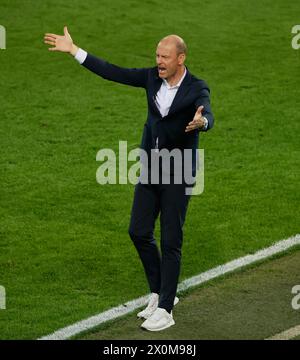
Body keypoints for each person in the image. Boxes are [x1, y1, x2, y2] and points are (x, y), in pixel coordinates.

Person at [44, 26, 214, 331]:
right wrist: (74, 51)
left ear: (181, 58)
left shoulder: (196, 88)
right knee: (138, 230)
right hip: (151, 167)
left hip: (178, 171)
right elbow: (113, 72)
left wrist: (202, 122)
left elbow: (208, 114)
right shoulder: (151, 77)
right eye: (157, 56)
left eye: (165, 57)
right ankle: (159, 291)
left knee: (171, 239)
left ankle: (166, 308)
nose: (159, 61)